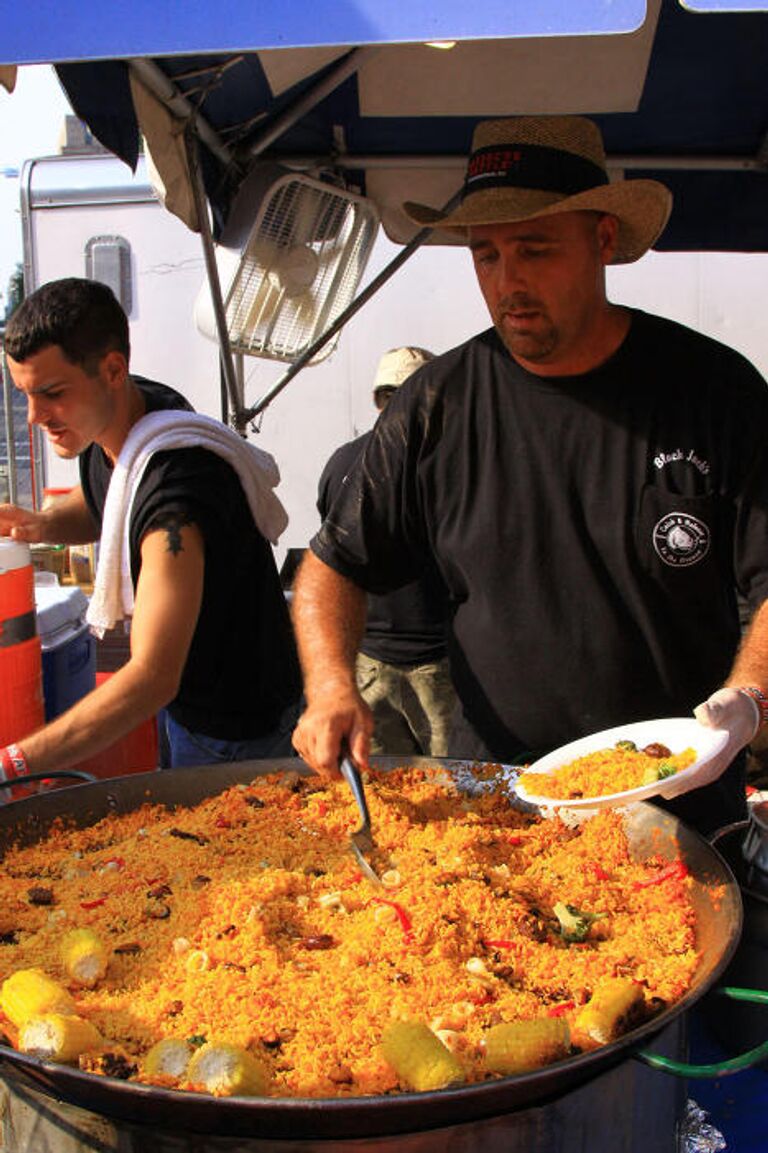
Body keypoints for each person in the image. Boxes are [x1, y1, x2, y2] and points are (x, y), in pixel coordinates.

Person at [289, 114, 768, 836]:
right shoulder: (437, 405)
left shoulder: (715, 391)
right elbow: (332, 565)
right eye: (486, 255)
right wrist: (329, 683)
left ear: (603, 238)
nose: (508, 282)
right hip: (504, 808)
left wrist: (751, 694)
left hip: (683, 801)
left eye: (535, 250)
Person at [0, 277, 302, 778]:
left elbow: (151, 678)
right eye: (25, 395)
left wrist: (15, 763)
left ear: (114, 369)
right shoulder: (129, 421)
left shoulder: (176, 500)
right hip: (189, 705)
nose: (35, 416)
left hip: (238, 733)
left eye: (51, 394)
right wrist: (41, 523)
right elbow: (105, 501)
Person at [317, 346, 457, 756]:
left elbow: (332, 559)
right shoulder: (448, 463)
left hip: (369, 663)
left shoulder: (341, 461)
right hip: (438, 663)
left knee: (384, 795)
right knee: (455, 795)